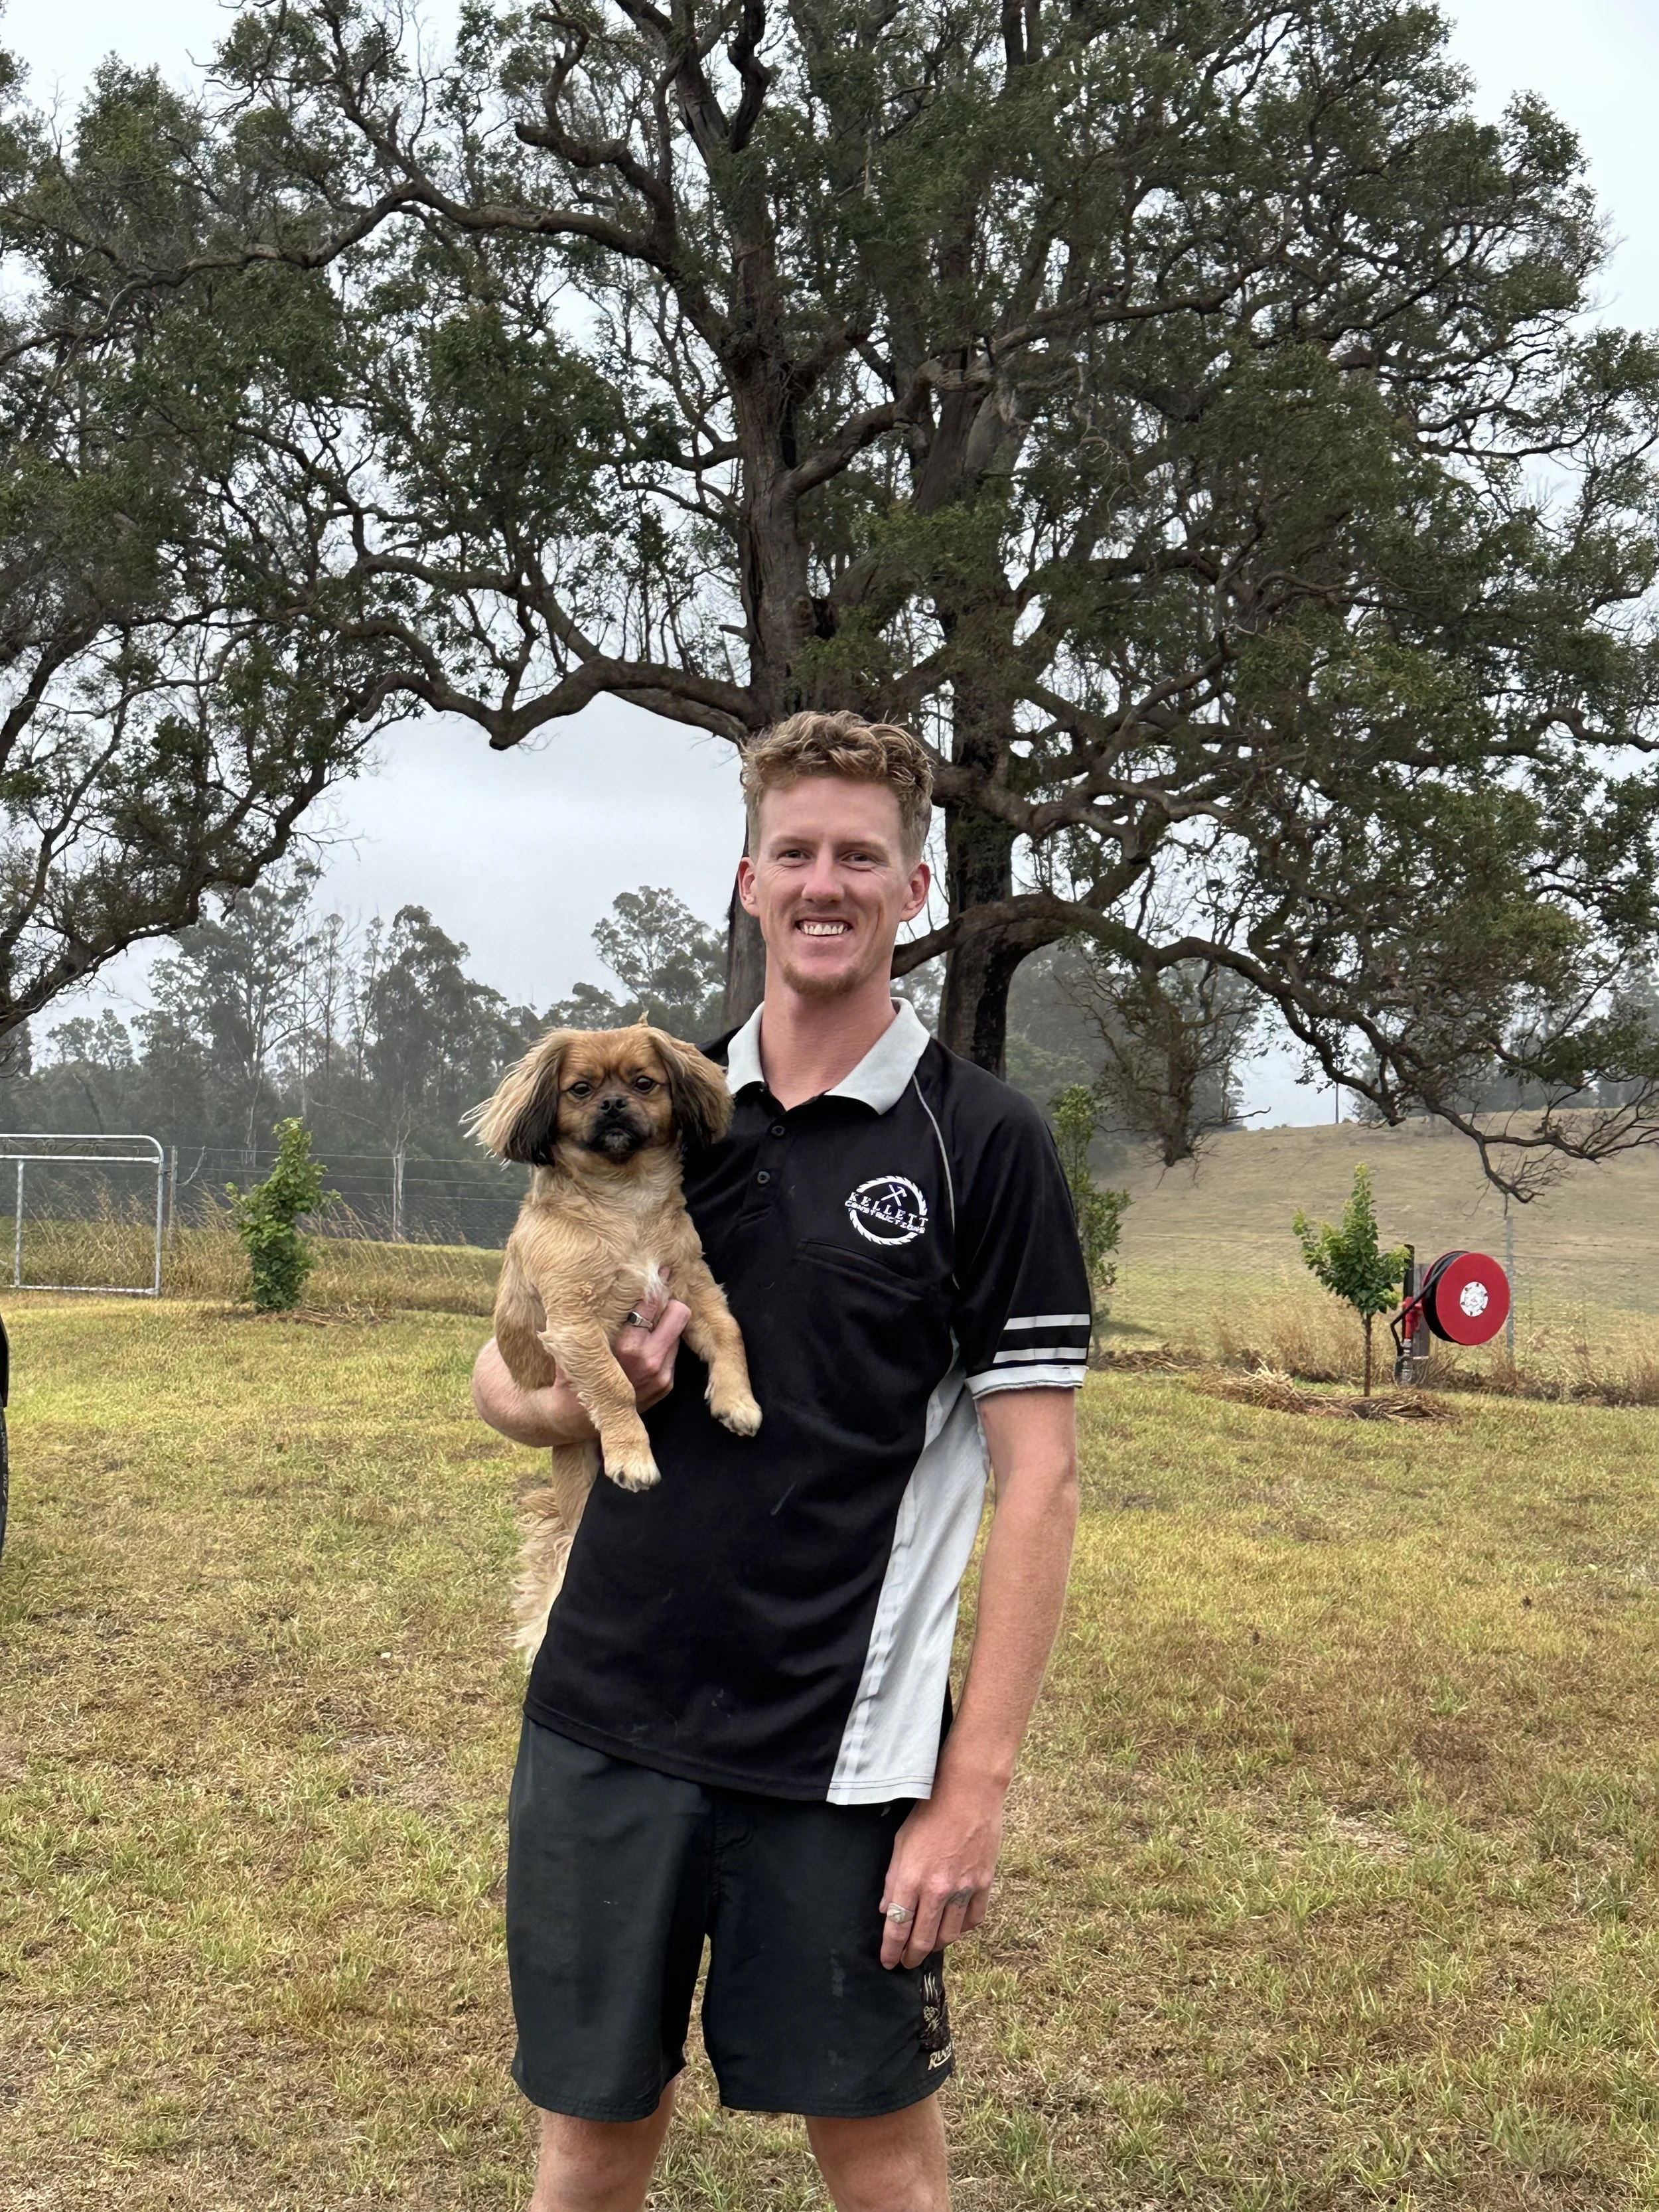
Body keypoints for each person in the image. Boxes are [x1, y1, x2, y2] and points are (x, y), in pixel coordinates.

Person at [472, 711, 1090, 2212]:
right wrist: (580, 1400)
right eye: (796, 853)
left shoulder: (979, 1141)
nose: (827, 884)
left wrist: (973, 1787)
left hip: (843, 1744)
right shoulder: (654, 1108)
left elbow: (1041, 1480)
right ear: (749, 879)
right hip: (604, 1711)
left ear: (914, 889)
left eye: (860, 857)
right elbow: (494, 1377)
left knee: (874, 2150)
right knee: (587, 2138)